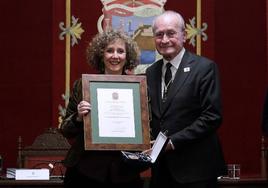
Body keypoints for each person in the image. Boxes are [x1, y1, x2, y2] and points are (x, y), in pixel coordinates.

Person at [145, 10, 227, 188]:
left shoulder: (204, 68)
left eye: (171, 33)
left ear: (184, 35)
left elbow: (212, 116)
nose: (164, 40)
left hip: (197, 171)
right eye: (159, 34)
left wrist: (173, 142)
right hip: (162, 170)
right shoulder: (151, 72)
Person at [59, 29, 143, 188]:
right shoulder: (83, 86)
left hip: (125, 172)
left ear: (127, 56)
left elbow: (147, 130)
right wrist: (78, 117)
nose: (115, 56)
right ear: (101, 55)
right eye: (109, 50)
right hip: (86, 170)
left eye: (120, 51)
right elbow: (66, 130)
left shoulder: (138, 88)